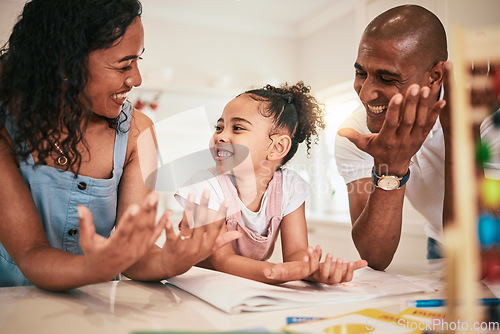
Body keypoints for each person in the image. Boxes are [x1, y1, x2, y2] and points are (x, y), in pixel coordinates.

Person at [0, 0, 239, 291]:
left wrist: (171, 260)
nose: (136, 78)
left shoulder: (140, 132)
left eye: (138, 60)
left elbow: (136, 256)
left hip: (97, 310)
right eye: (124, 64)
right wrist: (95, 266)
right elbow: (30, 253)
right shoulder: (5, 126)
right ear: (64, 64)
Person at [334, 4, 499, 270]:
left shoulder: (488, 120)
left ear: (435, 77)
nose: (365, 94)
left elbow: (478, 253)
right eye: (360, 73)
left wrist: (463, 136)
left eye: (386, 78)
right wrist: (391, 169)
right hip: (439, 243)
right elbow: (373, 255)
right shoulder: (355, 133)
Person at [175, 82, 367, 284]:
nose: (220, 136)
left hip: (242, 288)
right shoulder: (205, 186)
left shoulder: (290, 187)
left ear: (277, 147)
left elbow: (296, 254)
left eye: (237, 128)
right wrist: (277, 272)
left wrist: (313, 271)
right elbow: (224, 260)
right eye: (219, 127)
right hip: (197, 287)